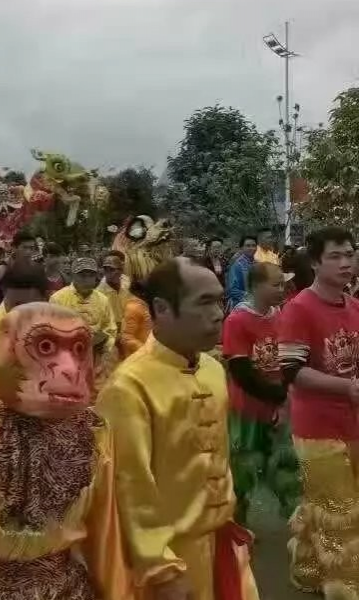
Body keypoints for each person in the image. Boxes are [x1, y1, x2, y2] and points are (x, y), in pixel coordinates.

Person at [0, 303, 133, 600]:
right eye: (46, 346)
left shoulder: (92, 437)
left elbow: (107, 541)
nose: (70, 369)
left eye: (78, 349)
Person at [98, 258, 259, 600]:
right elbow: (129, 486)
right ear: (162, 308)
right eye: (204, 302)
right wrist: (160, 567)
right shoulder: (128, 386)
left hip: (221, 544)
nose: (218, 313)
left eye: (219, 301)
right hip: (170, 559)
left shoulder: (214, 369)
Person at [278, 227, 359, 598]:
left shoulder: (354, 306)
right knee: (339, 512)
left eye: (350, 254)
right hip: (317, 428)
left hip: (352, 423)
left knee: (326, 504)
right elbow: (293, 370)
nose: (346, 263)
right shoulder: (299, 308)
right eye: (335, 256)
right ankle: (345, 587)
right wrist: (348, 387)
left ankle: (308, 570)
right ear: (315, 263)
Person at [222, 262, 297, 525]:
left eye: (282, 283)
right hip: (249, 409)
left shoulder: (280, 314)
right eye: (275, 284)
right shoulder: (237, 320)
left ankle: (297, 522)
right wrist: (278, 397)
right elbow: (241, 372)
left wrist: (285, 398)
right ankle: (237, 526)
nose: (281, 289)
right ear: (255, 286)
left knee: (288, 468)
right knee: (244, 471)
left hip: (279, 405)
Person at [0, 261, 48, 396]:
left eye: (31, 306)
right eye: (16, 304)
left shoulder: (53, 333)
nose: (22, 312)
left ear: (45, 299)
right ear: (5, 293)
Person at [50, 257, 117, 387]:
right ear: (73, 276)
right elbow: (51, 330)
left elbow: (110, 328)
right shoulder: (58, 299)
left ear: (96, 277)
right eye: (82, 275)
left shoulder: (103, 300)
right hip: (66, 355)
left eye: (91, 275)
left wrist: (105, 347)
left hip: (96, 354)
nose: (87, 280)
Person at [0, 230, 36, 312]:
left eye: (31, 248)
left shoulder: (33, 272)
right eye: (25, 248)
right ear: (14, 248)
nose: (28, 252)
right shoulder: (0, 271)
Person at [98, 250, 131, 332]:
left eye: (112, 269)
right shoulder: (99, 292)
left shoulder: (126, 281)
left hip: (129, 324)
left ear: (120, 271)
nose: (109, 273)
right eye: (106, 270)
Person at [119, 277, 151, 358]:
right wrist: (146, 350)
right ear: (141, 293)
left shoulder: (145, 306)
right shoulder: (133, 308)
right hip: (137, 358)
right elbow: (127, 337)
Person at [226, 235, 257, 311]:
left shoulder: (257, 263)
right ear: (242, 248)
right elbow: (232, 290)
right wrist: (251, 296)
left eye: (253, 245)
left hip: (256, 305)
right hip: (241, 306)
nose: (251, 248)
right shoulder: (237, 265)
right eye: (248, 246)